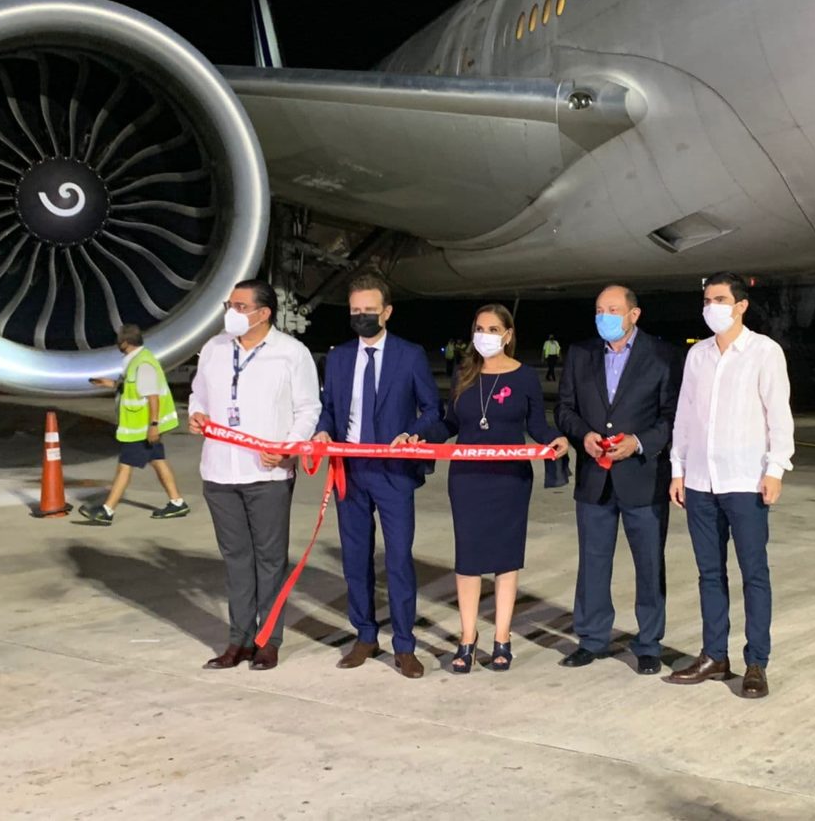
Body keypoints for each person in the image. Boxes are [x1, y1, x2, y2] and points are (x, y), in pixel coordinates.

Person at [400, 304, 567, 673]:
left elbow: (537, 425)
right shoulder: (465, 372)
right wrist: (420, 436)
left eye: (493, 329)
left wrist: (555, 439)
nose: (485, 335)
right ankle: (467, 637)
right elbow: (449, 423)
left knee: (506, 560)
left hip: (510, 481)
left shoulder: (525, 377)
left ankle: (502, 638)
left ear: (508, 335)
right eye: (479, 328)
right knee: (469, 560)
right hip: (468, 480)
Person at [667, 272, 794, 699]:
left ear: (741, 306)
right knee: (709, 573)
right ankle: (714, 656)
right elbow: (685, 415)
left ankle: (756, 662)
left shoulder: (764, 352)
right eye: (706, 300)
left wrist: (775, 468)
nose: (711, 308)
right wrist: (678, 468)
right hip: (701, 482)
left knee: (753, 573)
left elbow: (779, 415)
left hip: (745, 481)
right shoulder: (698, 355)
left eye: (719, 300)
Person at [188, 279, 321, 672]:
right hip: (219, 472)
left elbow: (308, 409)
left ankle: (268, 641)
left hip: (267, 475)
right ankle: (239, 640)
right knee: (236, 560)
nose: (231, 312)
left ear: (264, 313)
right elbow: (198, 394)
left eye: (240, 306)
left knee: (269, 561)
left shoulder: (291, 353)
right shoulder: (214, 349)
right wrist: (197, 414)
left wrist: (288, 447)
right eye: (229, 305)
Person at [314, 273, 440, 679]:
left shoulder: (409, 355)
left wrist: (414, 433)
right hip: (350, 470)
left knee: (398, 559)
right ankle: (365, 635)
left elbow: (432, 409)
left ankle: (404, 644)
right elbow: (329, 410)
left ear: (386, 312)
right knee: (355, 559)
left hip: (393, 472)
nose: (362, 317)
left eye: (369, 310)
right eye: (355, 311)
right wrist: (322, 431)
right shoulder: (338, 358)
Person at [554, 286, 681, 675]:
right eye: (598, 310)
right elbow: (565, 408)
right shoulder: (581, 354)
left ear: (633, 314)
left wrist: (639, 443)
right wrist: (583, 436)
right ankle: (592, 639)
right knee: (592, 563)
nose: (604, 316)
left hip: (643, 479)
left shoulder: (662, 356)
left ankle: (648, 644)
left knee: (649, 565)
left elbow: (672, 417)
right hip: (595, 478)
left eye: (612, 309)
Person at [80, 324, 187, 525]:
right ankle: (177, 502)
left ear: (126, 343)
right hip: (143, 427)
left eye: (119, 341)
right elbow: (131, 387)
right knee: (158, 460)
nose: (117, 344)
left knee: (125, 467)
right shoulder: (136, 361)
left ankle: (107, 510)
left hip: (141, 429)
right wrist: (109, 383)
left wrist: (153, 425)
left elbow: (153, 396)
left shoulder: (142, 365)